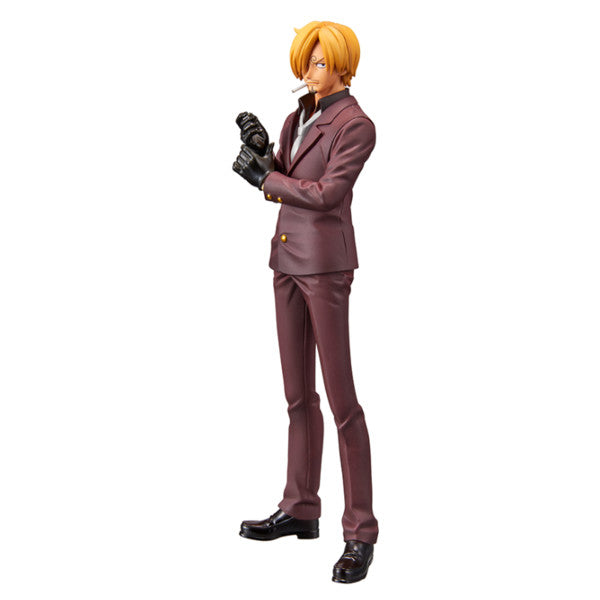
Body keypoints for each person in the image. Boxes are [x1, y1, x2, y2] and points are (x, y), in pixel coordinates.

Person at [232, 20, 378, 584]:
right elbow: (288, 174)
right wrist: (262, 152)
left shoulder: (356, 125)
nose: (309, 71)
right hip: (286, 261)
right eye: (305, 62)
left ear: (342, 65)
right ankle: (300, 506)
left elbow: (328, 193)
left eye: (318, 62)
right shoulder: (298, 117)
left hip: (326, 266)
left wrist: (265, 179)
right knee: (297, 396)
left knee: (343, 403)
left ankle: (360, 530)